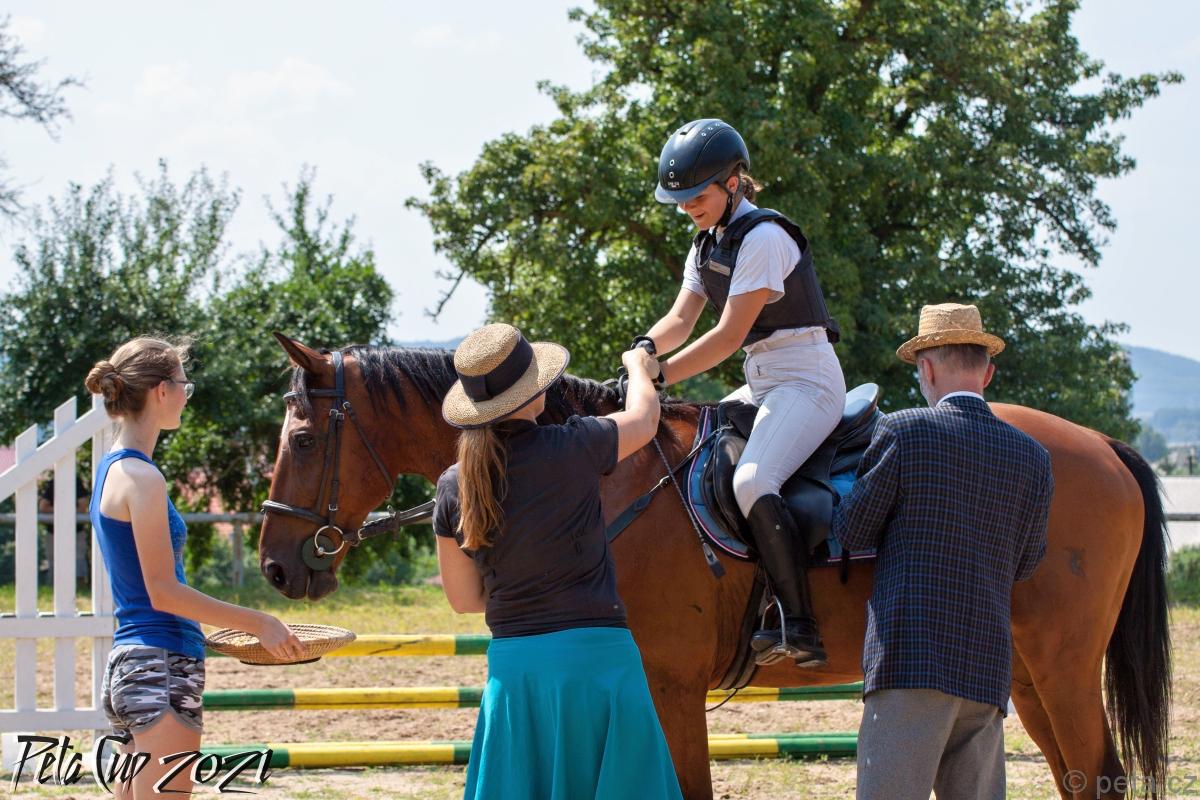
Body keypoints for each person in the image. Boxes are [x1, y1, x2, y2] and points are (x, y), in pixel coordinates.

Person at [433, 323, 683, 800]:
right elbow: (645, 419)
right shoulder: (573, 444)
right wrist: (638, 367)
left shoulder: (453, 484)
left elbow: (464, 600)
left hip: (516, 676)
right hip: (598, 665)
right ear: (535, 392)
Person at [637, 118, 845, 666]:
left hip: (807, 380)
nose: (687, 207)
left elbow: (728, 336)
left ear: (732, 183)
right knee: (698, 449)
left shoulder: (765, 238)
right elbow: (680, 320)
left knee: (754, 480)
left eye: (696, 196)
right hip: (764, 380)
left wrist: (660, 375)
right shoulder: (706, 244)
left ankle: (800, 624)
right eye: (679, 199)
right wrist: (643, 349)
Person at [831, 303, 1054, 800]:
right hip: (987, 670)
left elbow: (852, 530)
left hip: (910, 661)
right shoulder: (1034, 457)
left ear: (926, 369)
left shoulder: (903, 430)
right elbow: (1026, 563)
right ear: (987, 374)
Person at [86, 337, 304, 798]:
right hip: (161, 666)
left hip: (131, 666)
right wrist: (260, 623)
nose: (187, 394)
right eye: (185, 384)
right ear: (162, 390)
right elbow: (163, 591)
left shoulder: (111, 469)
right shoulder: (144, 478)